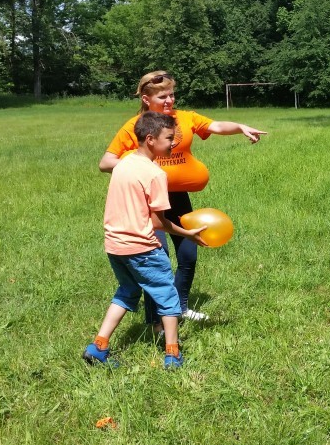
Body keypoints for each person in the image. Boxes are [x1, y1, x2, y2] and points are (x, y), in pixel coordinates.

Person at [99, 71, 266, 332]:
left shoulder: (184, 118)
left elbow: (215, 126)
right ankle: (156, 321)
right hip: (150, 200)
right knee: (158, 258)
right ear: (146, 99)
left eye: (172, 95)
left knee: (189, 254)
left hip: (178, 197)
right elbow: (106, 162)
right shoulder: (136, 126)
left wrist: (240, 127)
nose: (169, 100)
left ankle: (181, 307)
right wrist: (138, 166)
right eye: (162, 97)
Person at [84, 112, 209, 369]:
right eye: (169, 138)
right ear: (150, 139)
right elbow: (158, 222)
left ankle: (98, 347)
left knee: (127, 292)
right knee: (169, 298)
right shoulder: (155, 174)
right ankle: (173, 355)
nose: (174, 143)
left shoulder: (122, 164)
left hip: (115, 245)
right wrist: (188, 234)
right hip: (143, 247)